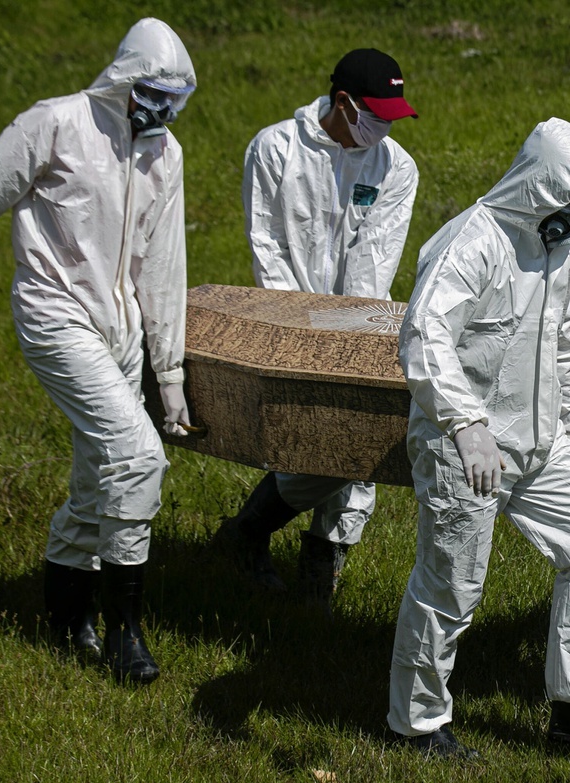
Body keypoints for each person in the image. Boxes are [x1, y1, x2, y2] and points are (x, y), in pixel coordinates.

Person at [0, 18, 198, 684]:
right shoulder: (58, 123)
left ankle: (66, 621)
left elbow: (163, 265)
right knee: (137, 455)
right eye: (153, 94)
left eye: (175, 100)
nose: (163, 111)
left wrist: (169, 372)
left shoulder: (165, 155)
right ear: (124, 79)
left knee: (97, 477)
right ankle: (127, 632)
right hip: (54, 314)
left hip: (120, 328)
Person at [387, 118, 570, 758]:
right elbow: (424, 337)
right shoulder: (471, 244)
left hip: (542, 443)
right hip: (465, 447)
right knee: (451, 584)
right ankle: (417, 724)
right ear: (538, 191)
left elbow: (566, 345)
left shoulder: (559, 245)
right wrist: (465, 423)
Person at [210, 49, 418, 611]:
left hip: (358, 321)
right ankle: (261, 539)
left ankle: (316, 555)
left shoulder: (395, 168)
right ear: (343, 103)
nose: (384, 129)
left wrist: (351, 343)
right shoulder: (276, 149)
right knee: (308, 440)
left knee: (358, 439)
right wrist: (297, 335)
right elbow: (270, 248)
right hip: (287, 322)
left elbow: (373, 263)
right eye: (375, 115)